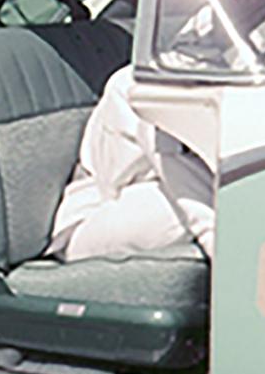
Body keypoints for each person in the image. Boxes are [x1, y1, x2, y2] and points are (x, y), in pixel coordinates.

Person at [48, 67, 215, 262]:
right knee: (200, 208)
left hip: (161, 192)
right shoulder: (145, 84)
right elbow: (200, 204)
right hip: (92, 220)